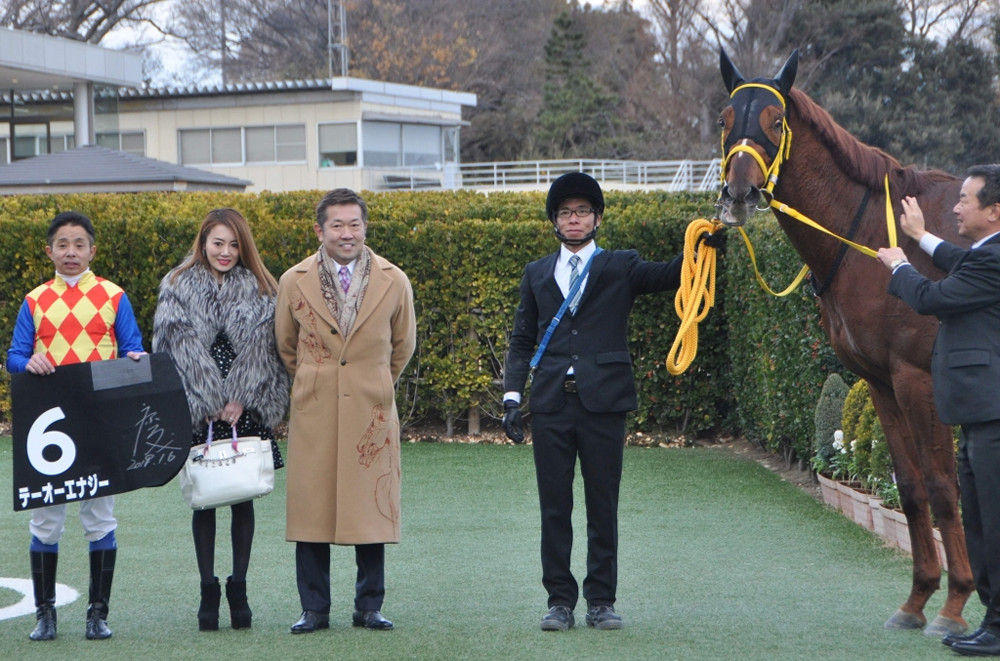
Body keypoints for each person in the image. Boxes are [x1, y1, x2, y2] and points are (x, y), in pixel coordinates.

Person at [502, 172, 709, 631]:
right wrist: (512, 397)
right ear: (554, 221)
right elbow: (521, 340)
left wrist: (703, 246)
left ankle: (601, 600)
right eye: (565, 212)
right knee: (554, 507)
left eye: (582, 211)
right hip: (551, 404)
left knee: (602, 505)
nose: (573, 219)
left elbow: (671, 273)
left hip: (604, 404)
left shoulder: (620, 265)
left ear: (597, 218)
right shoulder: (536, 273)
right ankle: (559, 601)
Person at [275, 188, 416, 633]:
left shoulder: (394, 279)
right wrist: (317, 379)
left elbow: (403, 346)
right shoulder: (293, 280)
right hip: (315, 408)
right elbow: (286, 346)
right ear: (320, 231)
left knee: (370, 508)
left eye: (354, 224)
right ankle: (314, 608)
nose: (347, 233)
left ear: (365, 228)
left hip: (371, 408)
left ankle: (369, 606)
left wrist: (372, 381)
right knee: (310, 509)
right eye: (337, 225)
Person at [877, 164, 1000, 657]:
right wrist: (920, 237)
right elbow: (956, 260)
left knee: (993, 523)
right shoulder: (985, 254)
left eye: (966, 200)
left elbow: (932, 297)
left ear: (994, 211)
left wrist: (899, 266)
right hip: (978, 415)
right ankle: (992, 621)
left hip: (992, 416)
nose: (956, 206)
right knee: (981, 523)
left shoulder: (992, 261)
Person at [6, 211, 146, 641]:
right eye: (63, 244)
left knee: (100, 517)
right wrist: (28, 362)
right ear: (49, 251)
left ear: (92, 251)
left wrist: (135, 359)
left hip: (98, 421)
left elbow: (134, 349)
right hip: (48, 425)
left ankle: (97, 615)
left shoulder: (113, 295)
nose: (71, 252)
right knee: (46, 521)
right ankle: (44, 616)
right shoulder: (34, 300)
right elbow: (15, 357)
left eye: (79, 244)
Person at [152, 208, 289, 631]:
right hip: (198, 407)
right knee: (205, 497)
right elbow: (171, 346)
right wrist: (207, 399)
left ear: (243, 247)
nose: (225, 252)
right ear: (203, 242)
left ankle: (239, 588)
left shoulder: (263, 287)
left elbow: (270, 349)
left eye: (233, 244)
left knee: (242, 495)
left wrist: (242, 399)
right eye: (218, 243)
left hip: (246, 406)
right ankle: (207, 590)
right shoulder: (176, 284)